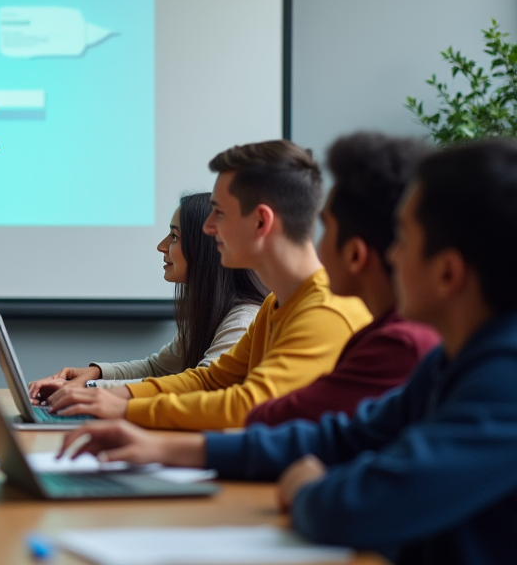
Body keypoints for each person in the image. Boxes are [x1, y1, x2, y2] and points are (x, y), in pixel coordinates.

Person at [59, 139, 517, 565]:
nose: (390, 256)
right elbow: (340, 436)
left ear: (448, 273)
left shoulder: (500, 382)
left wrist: (306, 488)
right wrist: (163, 443)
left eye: (403, 240)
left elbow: (358, 504)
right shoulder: (450, 361)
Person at [45, 140, 372, 427]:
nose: (209, 228)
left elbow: (247, 405)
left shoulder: (325, 311)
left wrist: (124, 409)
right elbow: (211, 379)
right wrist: (118, 395)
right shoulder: (276, 305)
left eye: (219, 213)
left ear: (261, 221)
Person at [244, 133, 439, 426]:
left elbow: (271, 416)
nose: (317, 247)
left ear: (355, 255)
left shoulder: (399, 343)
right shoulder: (381, 333)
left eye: (325, 229)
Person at [27, 192, 268, 401]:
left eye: (174, 236)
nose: (161, 246)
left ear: (204, 248)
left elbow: (202, 385)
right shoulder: (211, 313)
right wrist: (96, 373)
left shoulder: (243, 320)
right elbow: (158, 368)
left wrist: (91, 389)